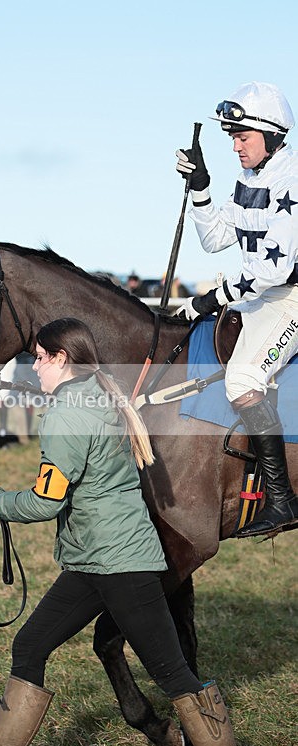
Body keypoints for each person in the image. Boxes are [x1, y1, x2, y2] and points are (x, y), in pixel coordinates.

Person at [0, 317, 248, 746]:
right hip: (94, 561)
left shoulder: (68, 414)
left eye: (39, 357)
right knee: (31, 646)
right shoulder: (97, 394)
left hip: (120, 564)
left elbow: (47, 500)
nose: (34, 366)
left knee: (172, 672)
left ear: (62, 358)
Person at [175, 81, 298, 538]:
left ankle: (281, 501)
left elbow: (274, 270)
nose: (235, 146)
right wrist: (202, 188)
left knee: (244, 378)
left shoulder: (291, 181)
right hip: (258, 296)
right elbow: (214, 240)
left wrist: (211, 298)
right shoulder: (250, 179)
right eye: (232, 137)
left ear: (271, 136)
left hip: (290, 297)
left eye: (242, 137)